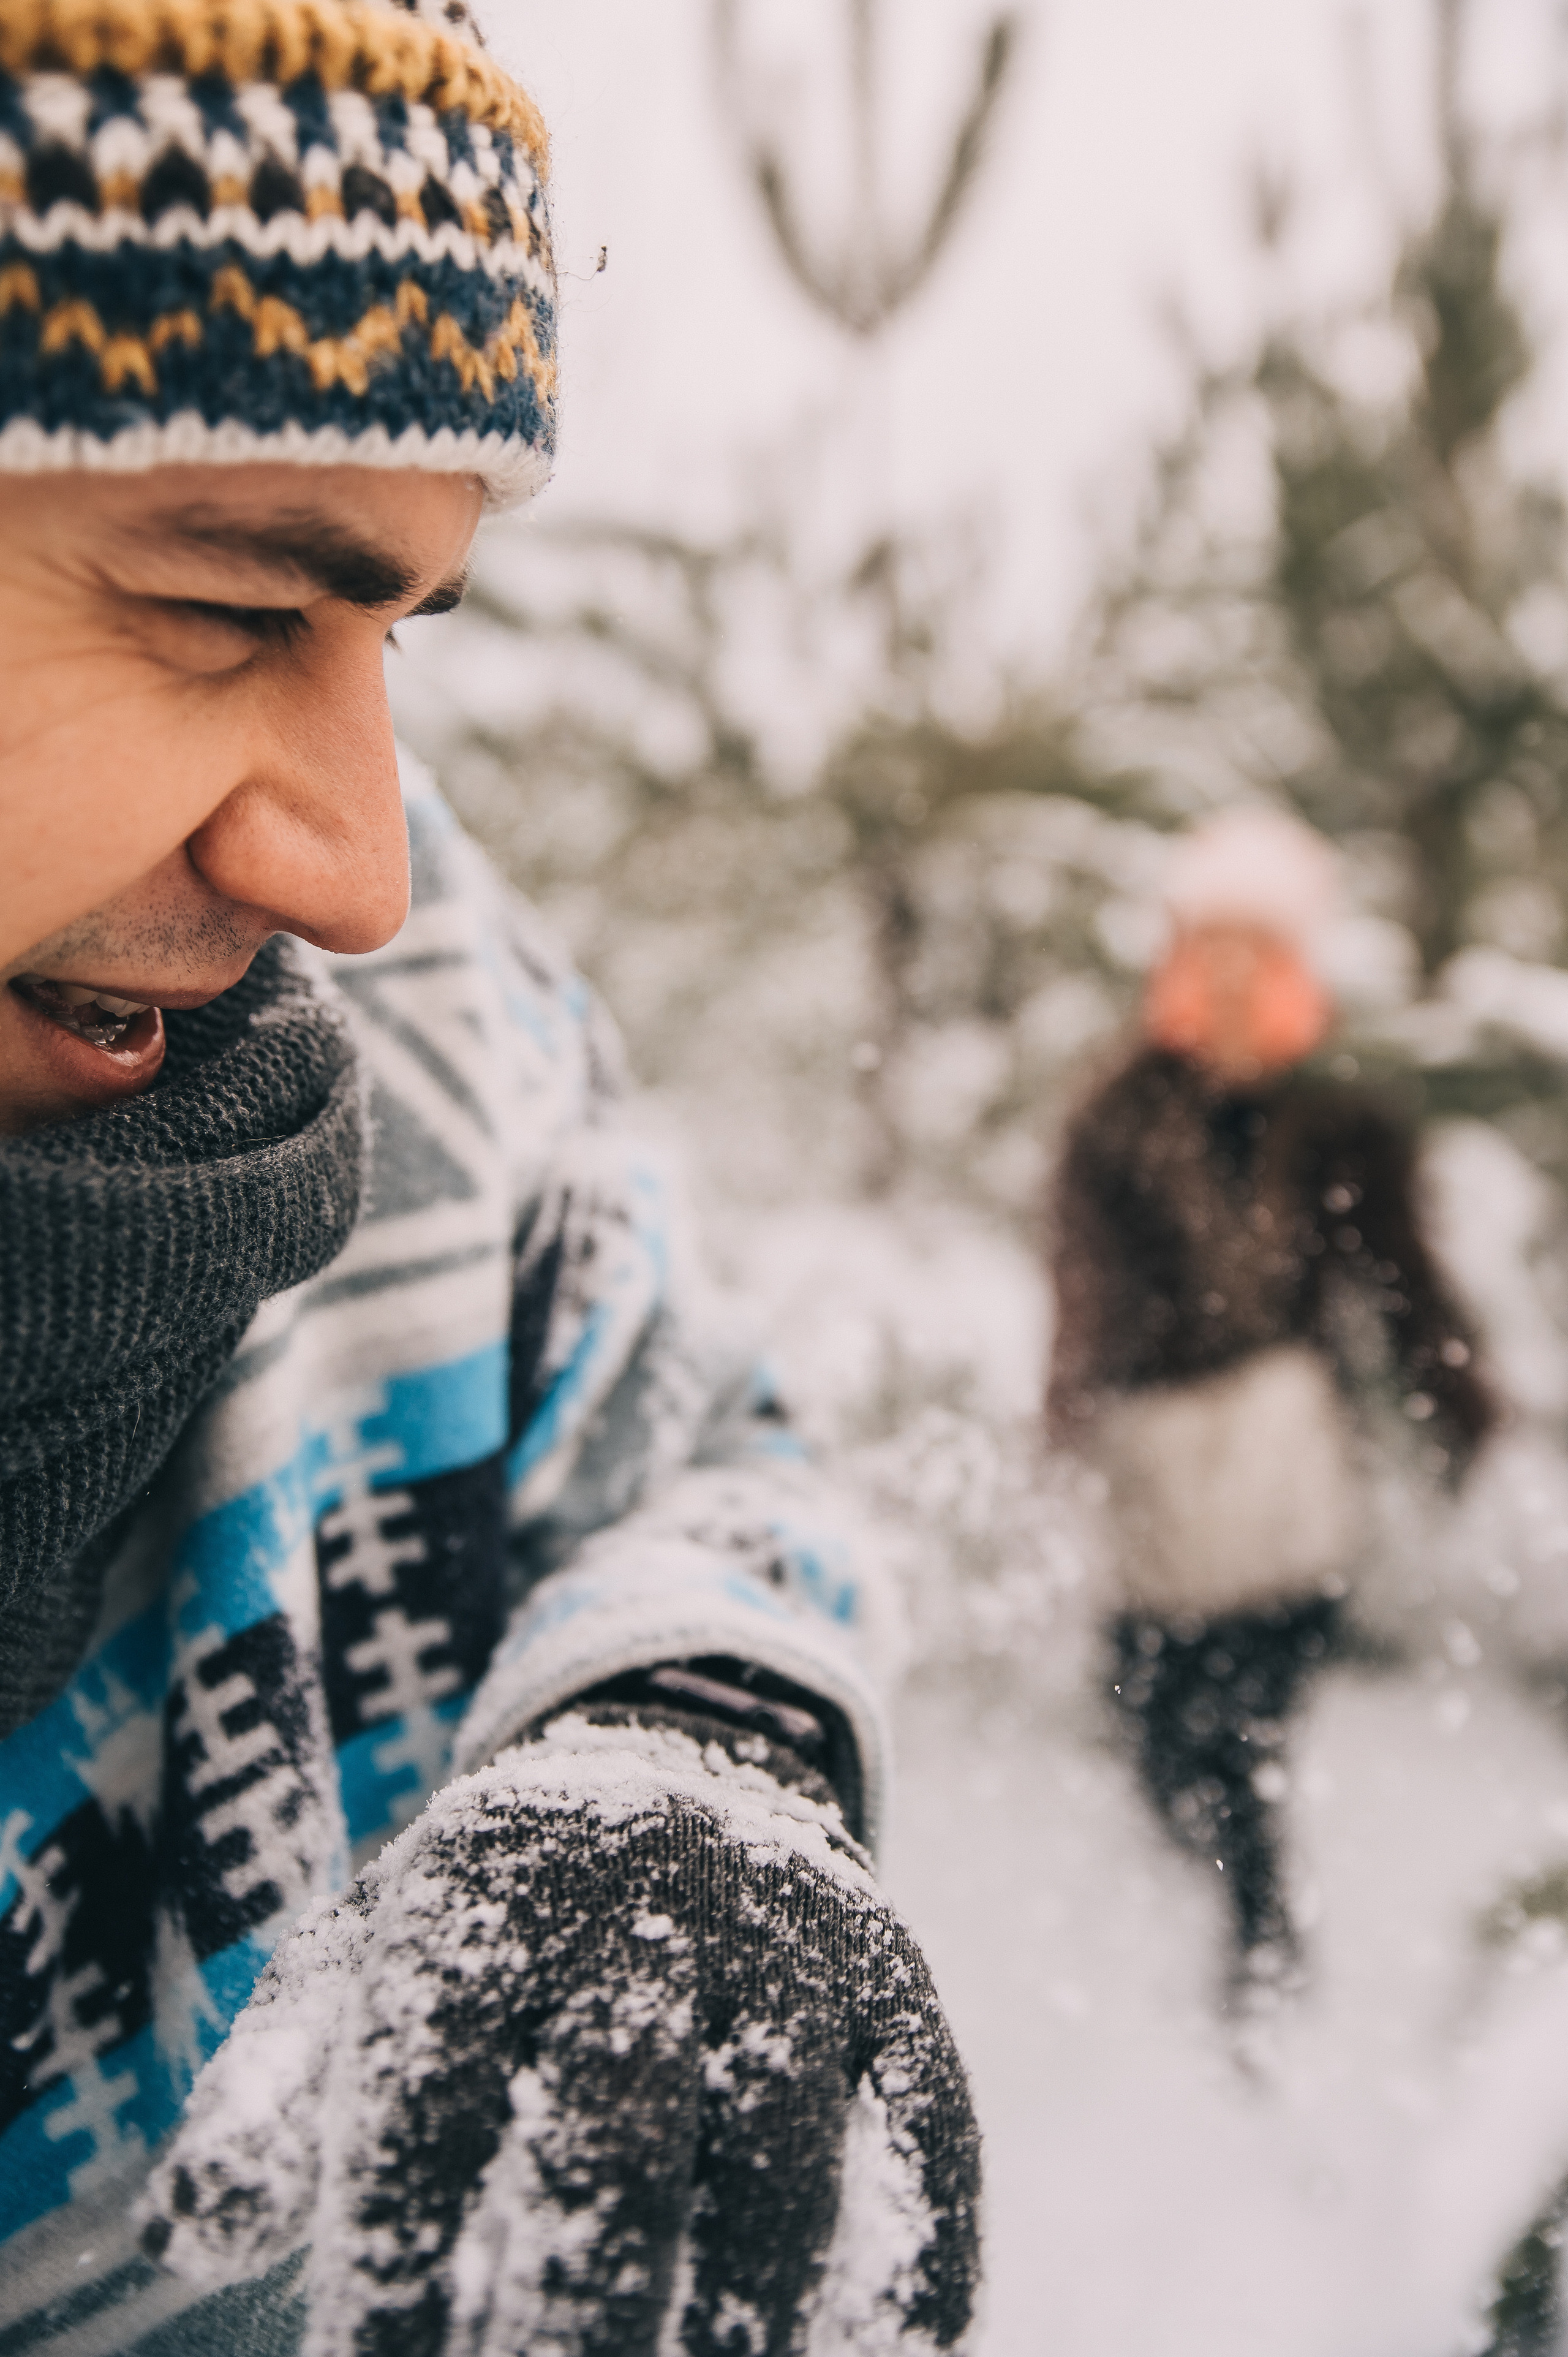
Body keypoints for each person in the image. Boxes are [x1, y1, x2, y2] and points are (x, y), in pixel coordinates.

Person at [0, 3, 981, 2347]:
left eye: (389, 633)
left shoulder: (438, 1013)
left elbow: (700, 1436)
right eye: (231, 607)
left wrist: (686, 1736)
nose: (358, 866)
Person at [1046, 806, 1496, 2015]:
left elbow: (1404, 1284)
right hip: (1156, 1463)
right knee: (1149, 1723)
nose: (1234, 982)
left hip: (1283, 1467)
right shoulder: (1116, 1118)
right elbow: (1078, 1283)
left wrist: (1457, 1402)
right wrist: (1064, 1413)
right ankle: (1213, 1910)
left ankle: (1255, 1948)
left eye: (1259, 953)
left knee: (1241, 1733)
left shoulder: (1340, 1125)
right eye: (1214, 952)